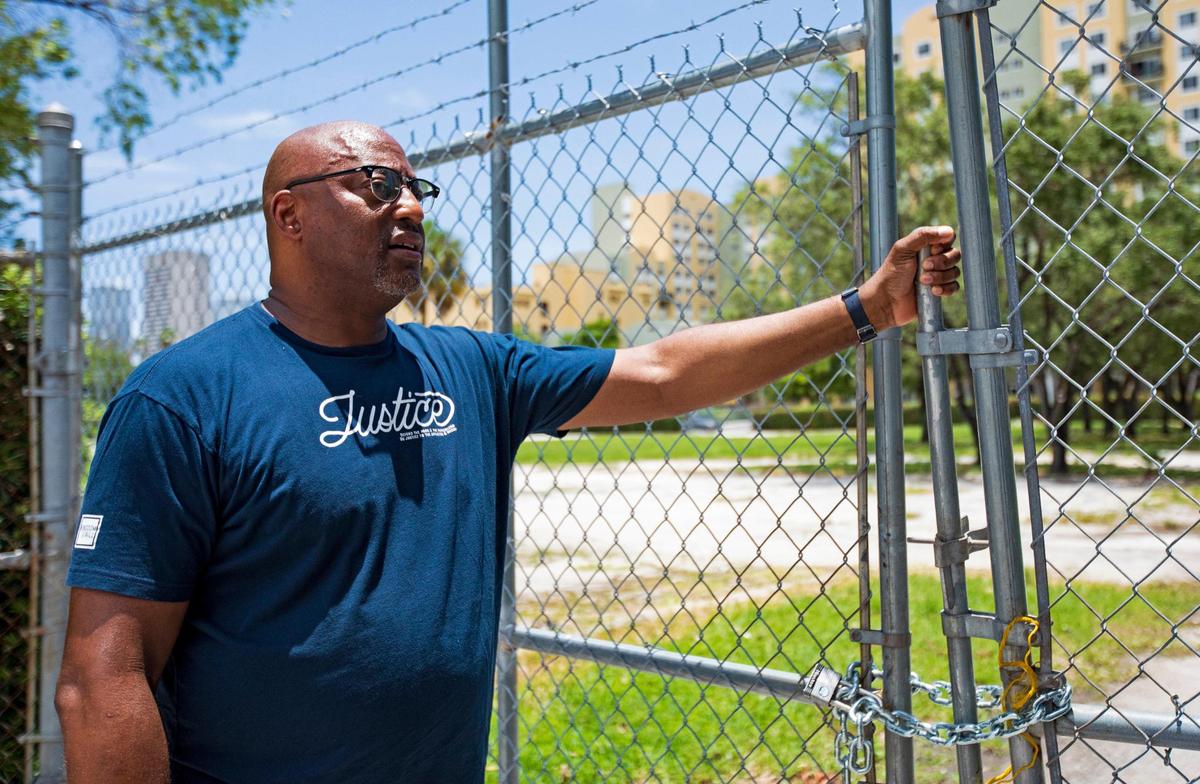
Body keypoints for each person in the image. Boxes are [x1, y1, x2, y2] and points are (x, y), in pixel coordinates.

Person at [55, 120, 962, 783]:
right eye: (375, 184)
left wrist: (864, 310)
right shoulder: (182, 396)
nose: (408, 206)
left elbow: (661, 373)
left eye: (416, 188)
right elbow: (103, 679)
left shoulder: (470, 368)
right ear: (288, 216)